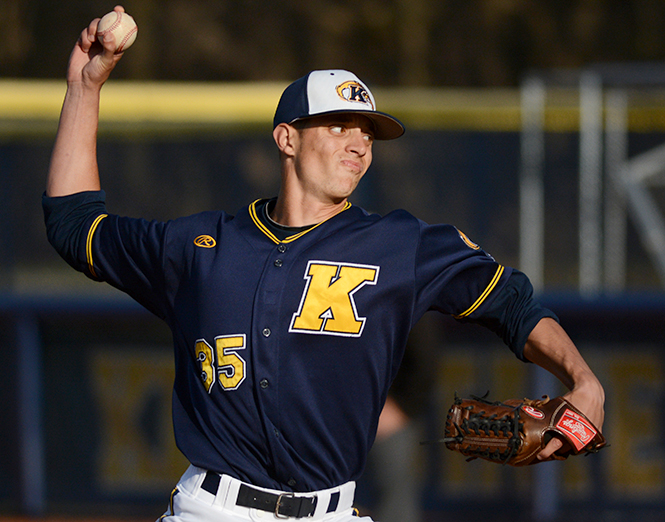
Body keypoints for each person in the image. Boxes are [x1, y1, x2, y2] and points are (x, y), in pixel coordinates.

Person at [43, 6, 605, 522]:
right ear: (286, 139)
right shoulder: (199, 246)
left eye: (367, 133)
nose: (359, 144)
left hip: (334, 511)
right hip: (213, 510)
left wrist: (583, 380)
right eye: (338, 126)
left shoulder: (400, 244)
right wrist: (84, 85)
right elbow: (74, 226)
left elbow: (511, 302)